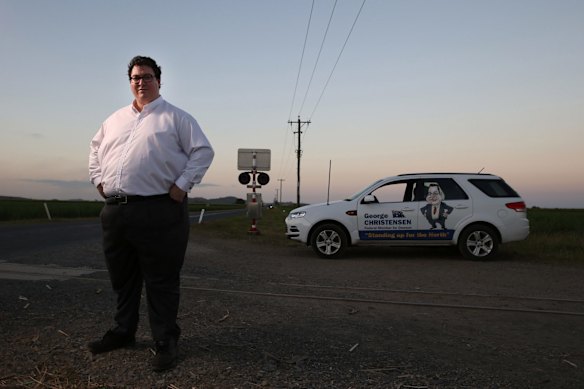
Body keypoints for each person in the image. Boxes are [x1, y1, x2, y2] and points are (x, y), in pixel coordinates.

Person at [88, 55, 214, 372]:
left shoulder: (176, 118)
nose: (140, 82)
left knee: (161, 281)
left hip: (159, 210)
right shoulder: (114, 119)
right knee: (123, 278)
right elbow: (94, 149)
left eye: (146, 76)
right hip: (116, 211)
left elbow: (203, 151)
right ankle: (123, 331)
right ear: (129, 82)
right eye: (134, 77)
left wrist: (183, 185)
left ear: (159, 80)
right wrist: (98, 180)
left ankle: (165, 341)